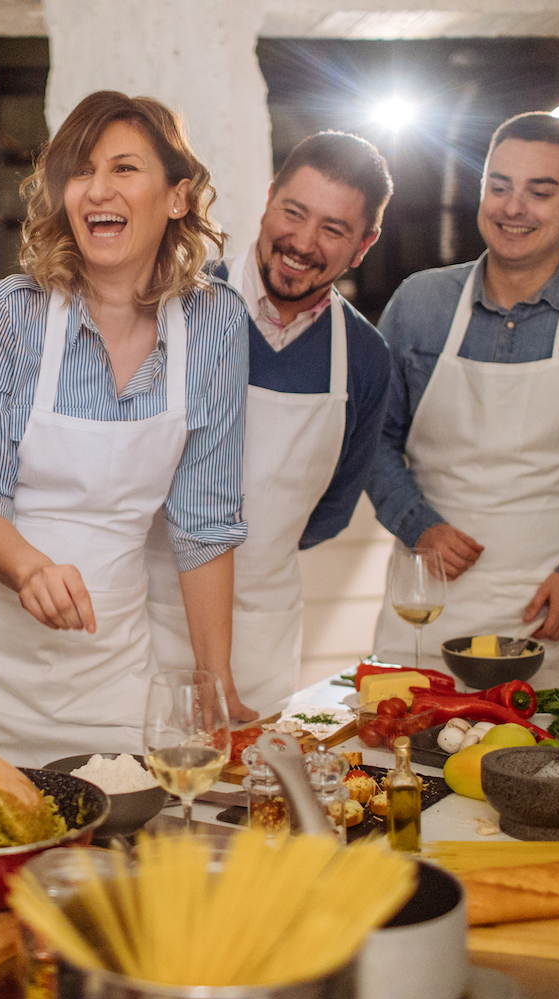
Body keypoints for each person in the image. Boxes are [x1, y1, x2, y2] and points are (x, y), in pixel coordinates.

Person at [0, 90, 250, 768]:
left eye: (124, 169)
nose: (97, 190)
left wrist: (214, 678)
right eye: (79, 171)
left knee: (119, 857)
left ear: (178, 196)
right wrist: (29, 568)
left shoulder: (215, 323)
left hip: (106, 669)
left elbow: (204, 521)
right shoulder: (4, 317)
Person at [366, 112, 559, 688]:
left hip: (553, 617)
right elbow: (371, 438)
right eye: (498, 187)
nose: (513, 208)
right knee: (401, 768)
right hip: (426, 613)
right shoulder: (419, 304)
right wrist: (416, 524)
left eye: (539, 192)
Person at [144, 131, 394, 717]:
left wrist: (261, 551)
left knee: (244, 802)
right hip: (148, 615)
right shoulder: (175, 306)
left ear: (364, 245)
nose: (303, 243)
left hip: (262, 635)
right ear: (267, 199)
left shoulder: (364, 356)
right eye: (294, 212)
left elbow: (333, 509)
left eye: (333, 230)